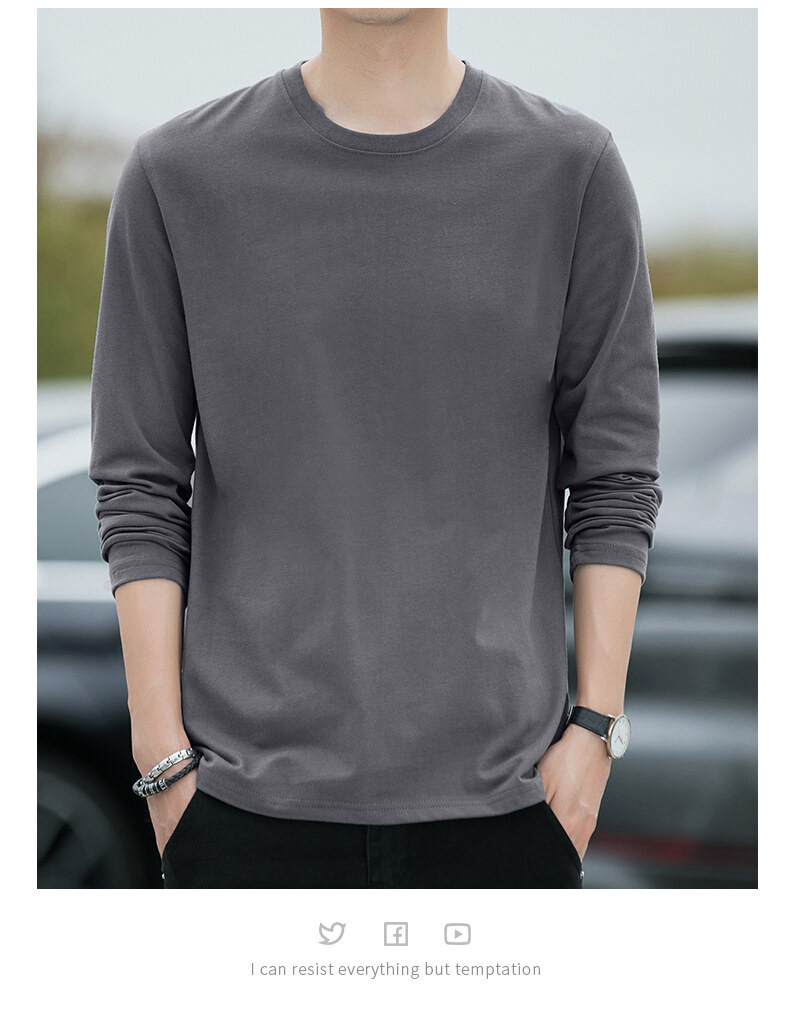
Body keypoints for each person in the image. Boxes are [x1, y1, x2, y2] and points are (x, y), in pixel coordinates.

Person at [89, 8, 662, 889]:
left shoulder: (572, 169)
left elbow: (616, 477)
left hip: (512, 808)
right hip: (240, 809)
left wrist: (595, 732)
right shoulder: (179, 175)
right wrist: (162, 758)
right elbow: (139, 484)